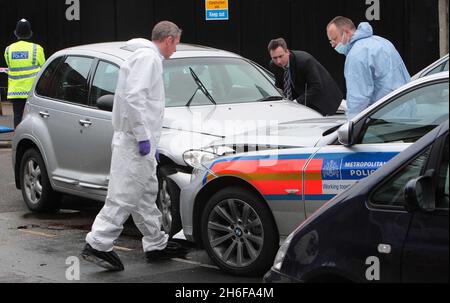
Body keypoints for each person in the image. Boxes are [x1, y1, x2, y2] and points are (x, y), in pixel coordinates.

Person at [81, 21, 186, 271]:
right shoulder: (149, 60)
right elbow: (135, 98)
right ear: (169, 39)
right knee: (123, 195)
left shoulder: (144, 57)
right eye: (176, 44)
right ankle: (98, 243)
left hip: (137, 141)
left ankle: (155, 242)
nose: (175, 49)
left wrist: (149, 140)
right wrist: (142, 137)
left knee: (145, 195)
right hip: (134, 142)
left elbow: (136, 99)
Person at [326, 16, 411, 119]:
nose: (333, 45)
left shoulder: (356, 55)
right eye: (331, 41)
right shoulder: (382, 42)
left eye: (334, 39)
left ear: (346, 32)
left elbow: (358, 99)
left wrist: (351, 124)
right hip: (407, 110)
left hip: (386, 119)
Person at [268, 38, 343, 116]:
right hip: (301, 99)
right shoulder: (273, 65)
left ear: (287, 52)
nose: (278, 61)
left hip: (324, 99)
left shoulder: (304, 61)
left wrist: (296, 102)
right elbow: (280, 85)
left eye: (280, 56)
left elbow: (316, 86)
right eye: (274, 58)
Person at [4, 19, 45, 128]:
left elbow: (10, 65)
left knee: (18, 116)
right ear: (30, 34)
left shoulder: (8, 50)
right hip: (32, 92)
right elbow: (44, 68)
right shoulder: (37, 49)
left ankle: (17, 140)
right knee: (32, 118)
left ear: (16, 34)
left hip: (15, 92)